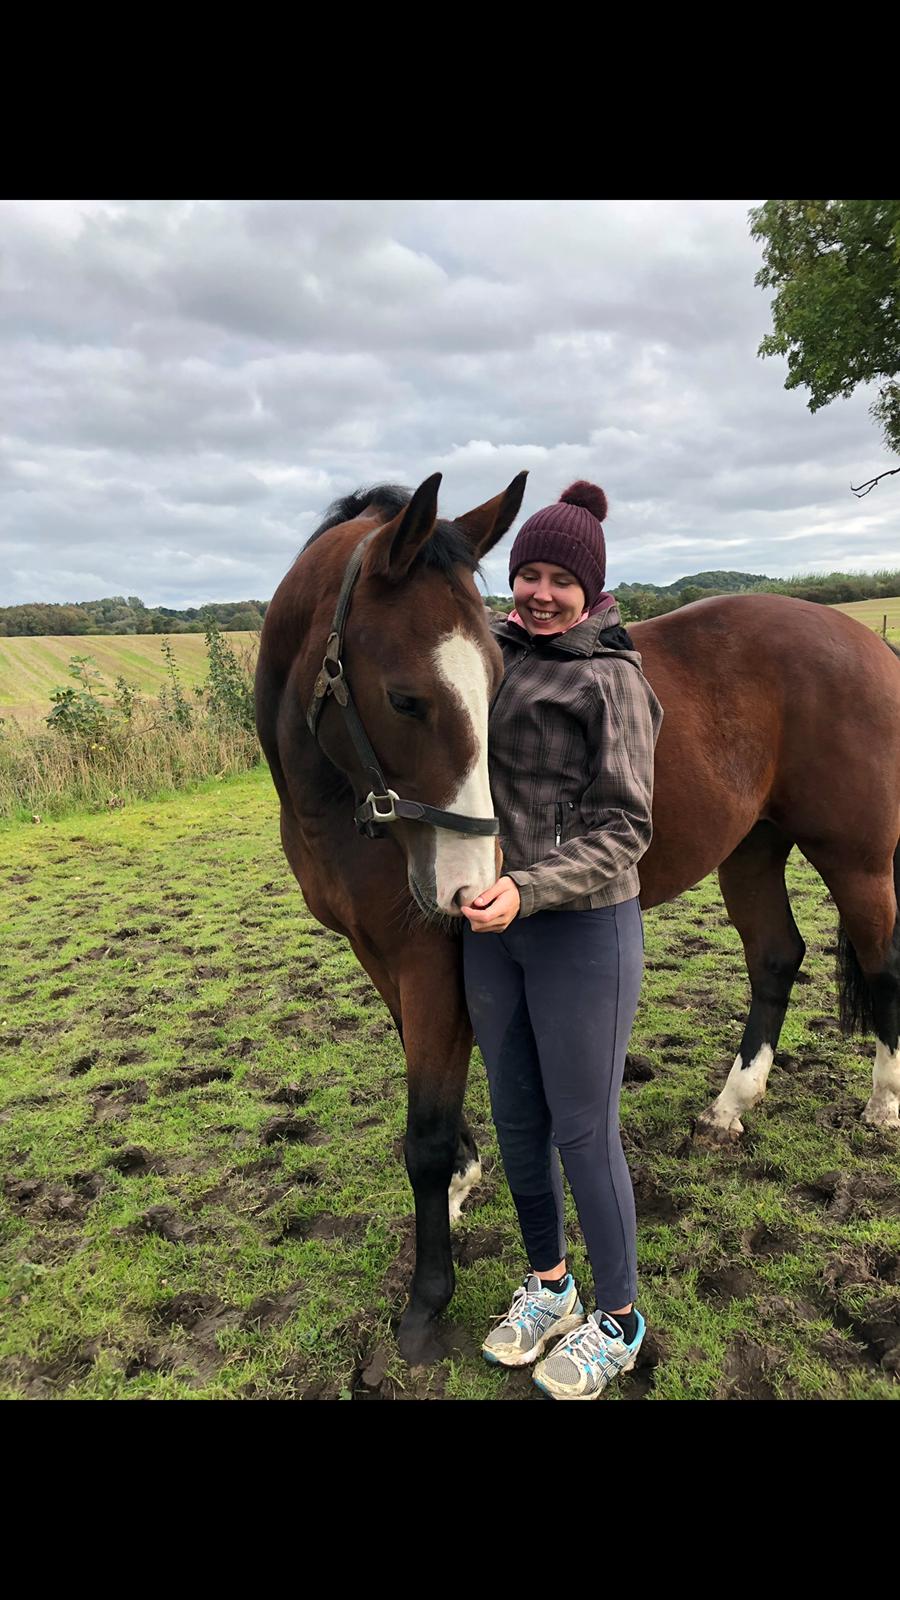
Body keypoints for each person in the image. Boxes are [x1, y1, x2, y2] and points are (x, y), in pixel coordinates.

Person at [460, 480, 663, 1400]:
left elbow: (627, 828)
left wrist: (529, 887)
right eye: (528, 574)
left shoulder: (610, 680)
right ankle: (550, 1285)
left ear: (590, 590)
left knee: (584, 1130)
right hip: (491, 931)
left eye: (560, 581)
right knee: (516, 1120)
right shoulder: (490, 653)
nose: (541, 593)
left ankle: (618, 1319)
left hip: (581, 929)